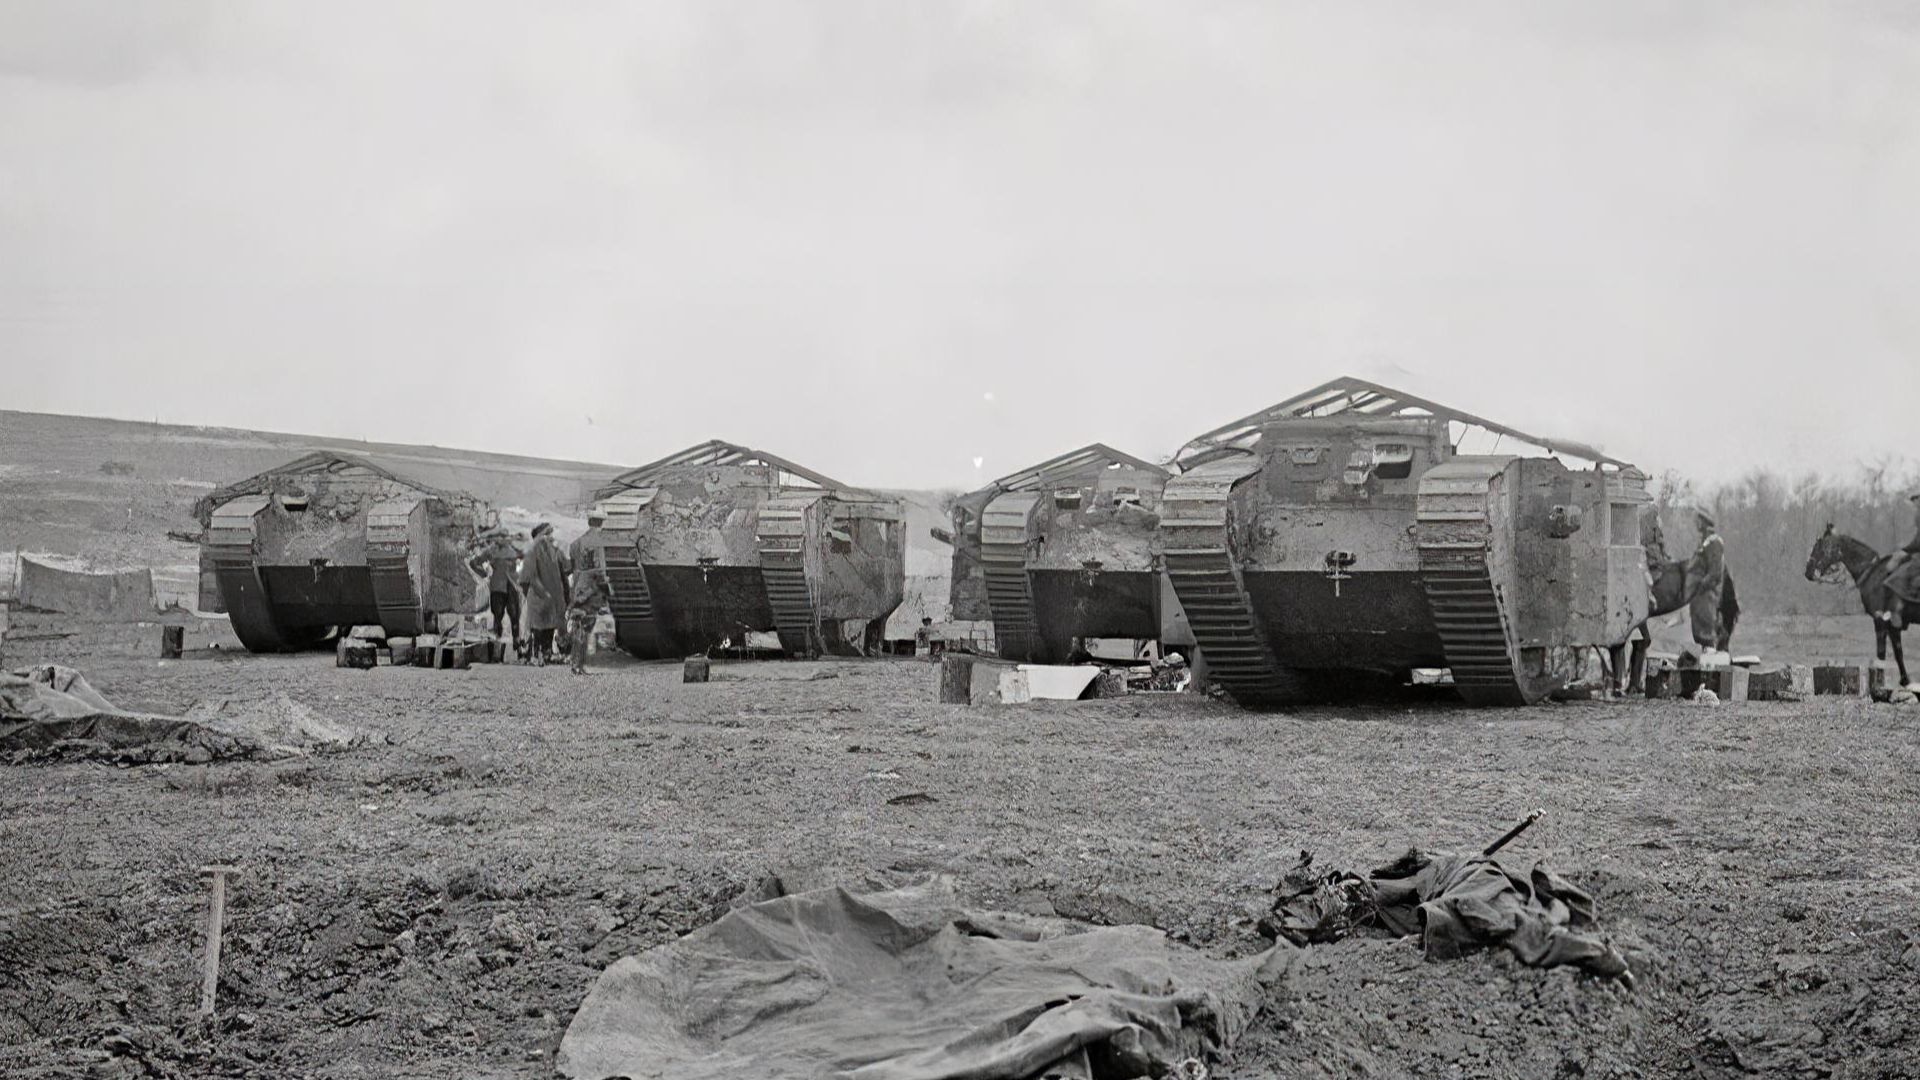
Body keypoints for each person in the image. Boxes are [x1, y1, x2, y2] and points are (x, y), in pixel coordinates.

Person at [516, 522, 571, 665]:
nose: (550, 537)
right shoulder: (532, 552)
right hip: (538, 598)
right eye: (547, 534)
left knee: (550, 626)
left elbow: (566, 568)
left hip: (553, 599)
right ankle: (536, 654)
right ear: (538, 537)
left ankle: (546, 653)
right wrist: (538, 593)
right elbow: (525, 578)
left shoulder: (555, 551)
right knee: (537, 627)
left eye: (550, 534)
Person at [1681, 509, 1727, 665]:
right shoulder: (1705, 542)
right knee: (1702, 639)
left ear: (1705, 521)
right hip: (1700, 599)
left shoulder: (1714, 542)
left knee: (1708, 640)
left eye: (1699, 520)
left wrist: (1699, 586)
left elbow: (1715, 573)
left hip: (1707, 598)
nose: (1696, 523)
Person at [469, 528, 524, 654]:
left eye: (504, 537)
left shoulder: (512, 550)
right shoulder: (492, 550)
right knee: (498, 618)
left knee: (514, 617)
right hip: (498, 587)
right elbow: (474, 562)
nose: (502, 540)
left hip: (510, 587)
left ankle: (515, 645)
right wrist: (484, 574)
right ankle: (497, 649)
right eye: (500, 537)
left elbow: (524, 556)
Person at [566, 560, 609, 675]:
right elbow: (580, 598)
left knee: (581, 640)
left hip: (585, 612)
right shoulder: (588, 579)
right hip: (583, 612)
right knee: (580, 640)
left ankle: (578, 665)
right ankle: (577, 665)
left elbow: (578, 597)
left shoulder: (584, 577)